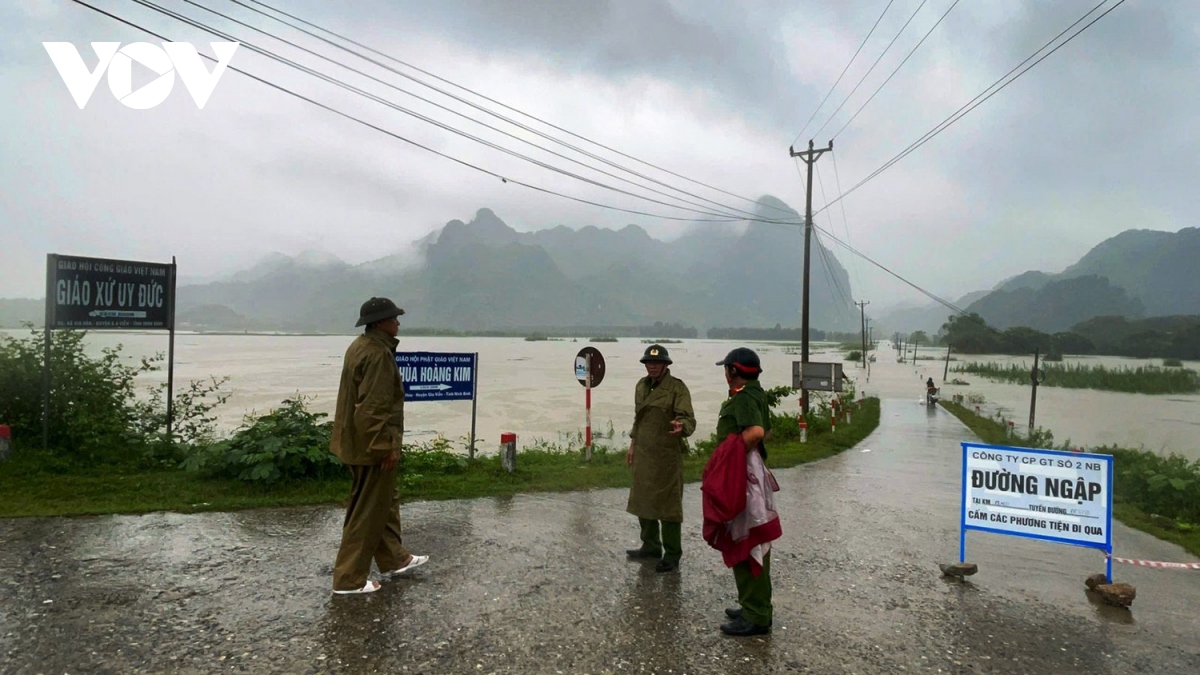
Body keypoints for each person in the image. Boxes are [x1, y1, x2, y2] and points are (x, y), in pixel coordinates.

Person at [329, 297, 428, 594]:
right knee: (367, 512)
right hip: (369, 447)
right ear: (380, 323)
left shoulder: (361, 347)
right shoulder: (377, 354)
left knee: (383, 502)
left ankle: (395, 559)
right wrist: (385, 447)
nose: (398, 322)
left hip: (356, 443)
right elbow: (373, 407)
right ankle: (349, 580)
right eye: (394, 318)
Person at [702, 347, 780, 637]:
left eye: (726, 369)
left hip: (742, 475)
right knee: (751, 543)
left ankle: (756, 616)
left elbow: (757, 432)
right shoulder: (757, 393)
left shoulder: (745, 397)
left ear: (733, 372)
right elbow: (768, 432)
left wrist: (729, 457)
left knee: (746, 543)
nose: (724, 373)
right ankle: (755, 607)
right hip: (751, 469)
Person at [625, 344, 696, 573]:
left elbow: (688, 419)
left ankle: (672, 554)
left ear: (665, 364)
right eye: (649, 362)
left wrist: (681, 427)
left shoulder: (677, 388)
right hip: (644, 452)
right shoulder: (640, 386)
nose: (652, 366)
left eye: (656, 363)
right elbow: (639, 419)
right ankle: (651, 546)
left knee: (668, 507)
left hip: (665, 456)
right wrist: (633, 444)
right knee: (642, 501)